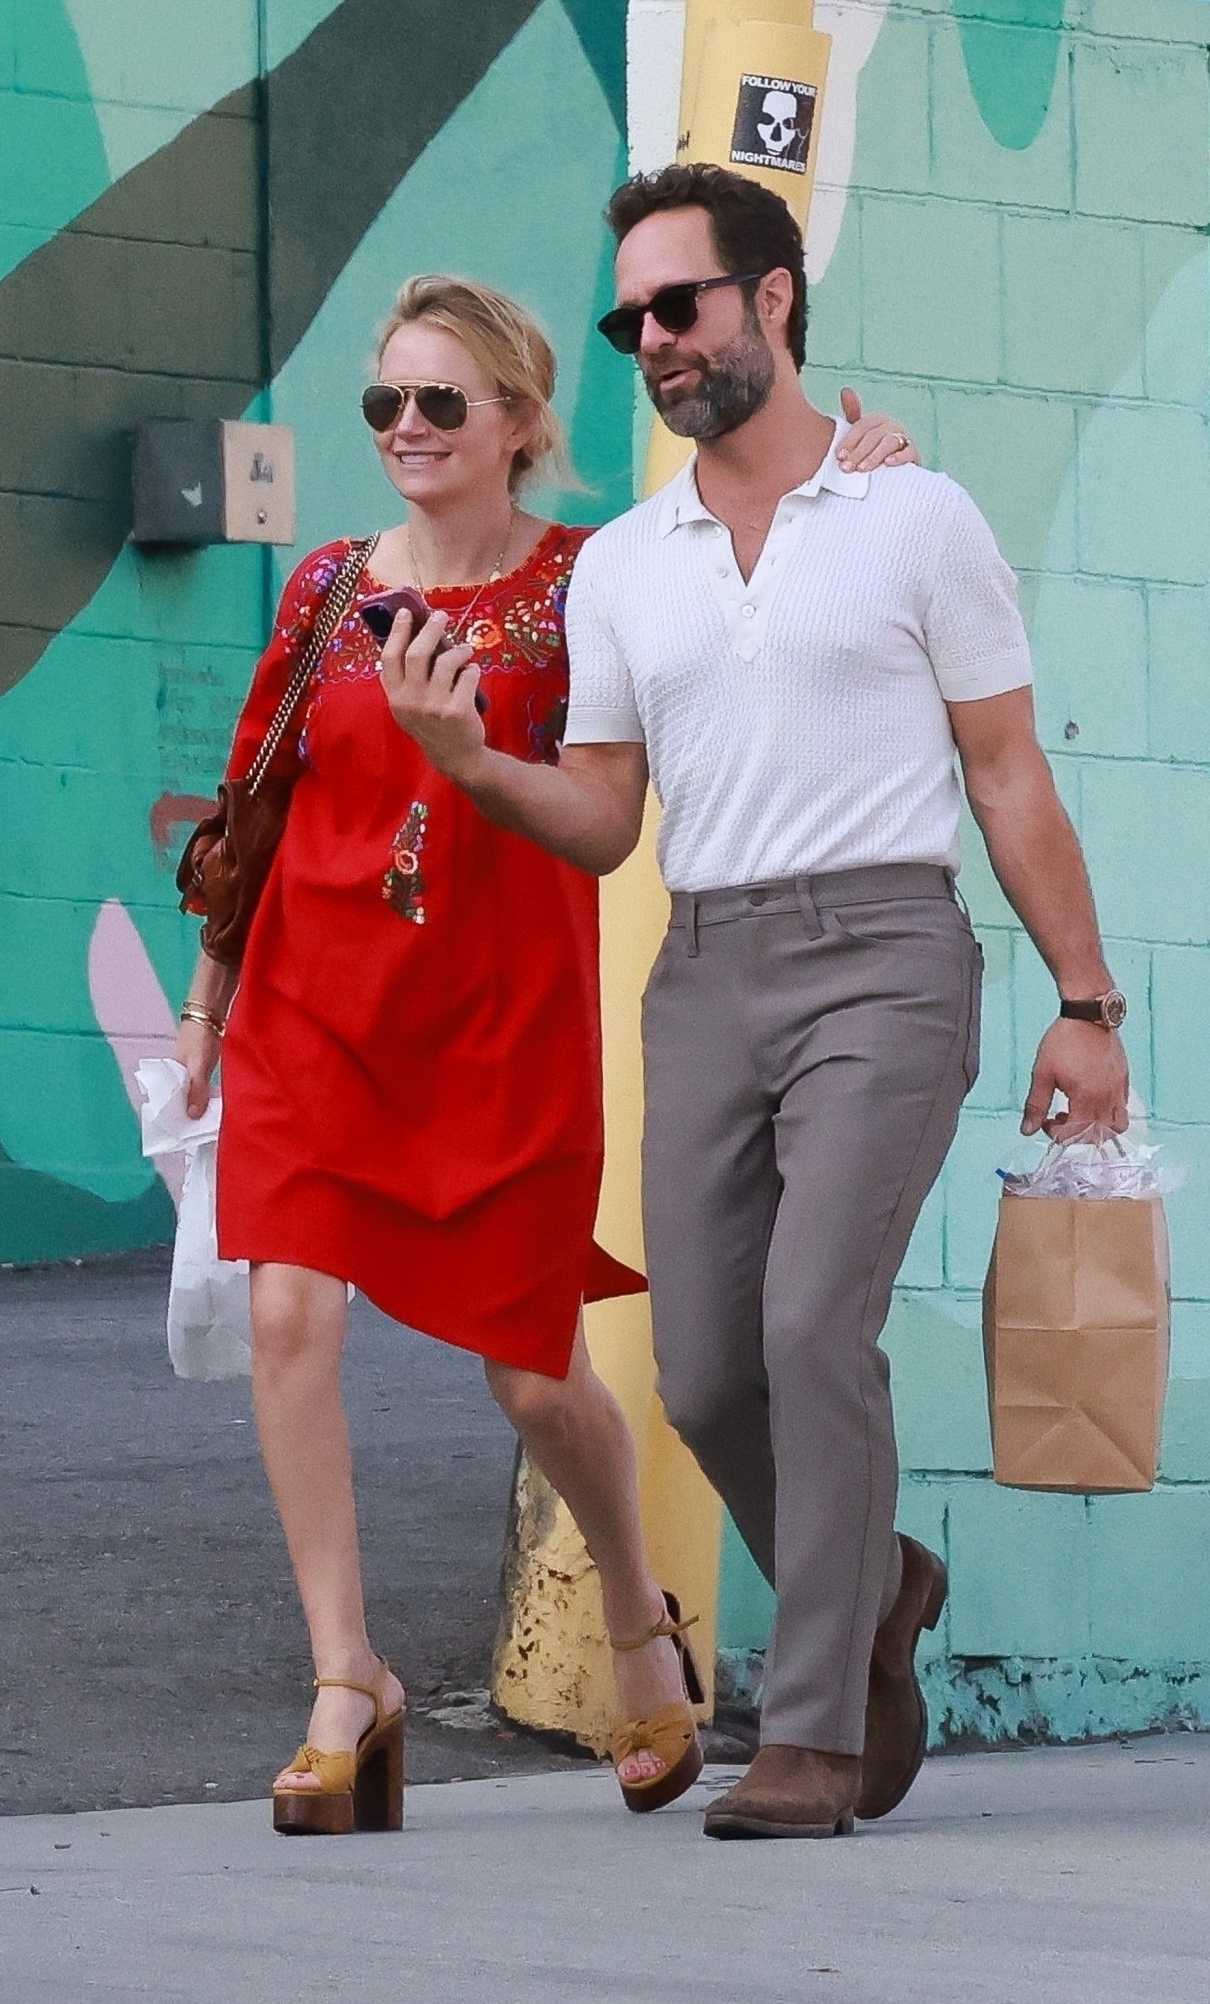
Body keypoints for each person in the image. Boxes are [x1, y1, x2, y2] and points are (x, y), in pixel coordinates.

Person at [384, 166, 1131, 1841]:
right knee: (710, 1371)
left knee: (810, 1328)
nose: (650, 339)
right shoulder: (625, 565)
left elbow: (1005, 775)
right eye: (627, 317)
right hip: (705, 963)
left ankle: (806, 1735)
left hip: (882, 951)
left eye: (681, 304)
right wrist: (470, 764)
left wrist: (1086, 1004)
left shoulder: (911, 516)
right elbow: (599, 820)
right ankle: (872, 1585)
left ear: (771, 301)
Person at [176, 268, 918, 1835]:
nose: (406, 429)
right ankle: (345, 1680)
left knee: (532, 1378)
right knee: (290, 1317)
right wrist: (209, 1000)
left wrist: (863, 481)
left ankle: (644, 1634)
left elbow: (750, 576)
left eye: (441, 402)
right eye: (385, 402)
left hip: (499, 1027)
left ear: (518, 423)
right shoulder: (320, 590)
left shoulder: (597, 580)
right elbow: (251, 803)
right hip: (316, 1008)